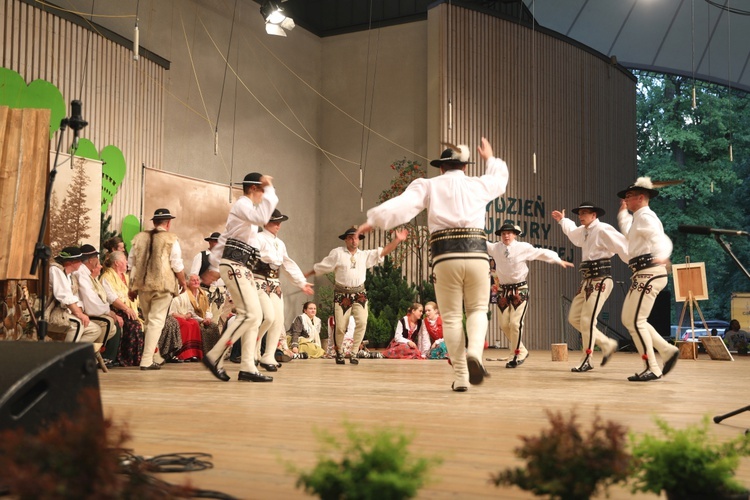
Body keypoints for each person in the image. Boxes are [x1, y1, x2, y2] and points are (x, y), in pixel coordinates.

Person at [357, 138, 508, 391]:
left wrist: (374, 219)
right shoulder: (478, 184)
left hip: (445, 256)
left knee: (449, 317)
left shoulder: (428, 185)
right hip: (477, 254)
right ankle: (474, 354)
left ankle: (461, 376)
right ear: (465, 167)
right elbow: (499, 180)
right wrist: (491, 159)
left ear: (441, 168)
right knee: (478, 310)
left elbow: (402, 206)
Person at [201, 172, 276, 383]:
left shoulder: (244, 211)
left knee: (255, 316)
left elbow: (225, 238)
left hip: (241, 267)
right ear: (254, 189)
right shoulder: (243, 205)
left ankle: (248, 366)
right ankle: (214, 356)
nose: (263, 194)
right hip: (236, 267)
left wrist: (214, 266)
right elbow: (263, 217)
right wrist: (271, 189)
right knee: (249, 314)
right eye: (261, 190)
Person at [308, 226, 406, 365]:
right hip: (342, 294)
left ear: (359, 240)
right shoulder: (338, 253)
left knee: (363, 322)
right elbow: (323, 266)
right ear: (346, 240)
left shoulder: (364, 255)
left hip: (360, 293)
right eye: (351, 238)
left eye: (356, 238)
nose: (354, 241)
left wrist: (397, 240)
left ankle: (354, 353)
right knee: (341, 327)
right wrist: (306, 275)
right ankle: (339, 352)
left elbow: (383, 252)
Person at [552, 202, 629, 372]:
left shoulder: (602, 229)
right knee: (574, 318)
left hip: (601, 279)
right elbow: (572, 232)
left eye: (585, 213)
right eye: (580, 213)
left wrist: (635, 262)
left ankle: (587, 358)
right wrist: (562, 220)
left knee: (587, 320)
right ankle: (606, 343)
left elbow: (622, 244)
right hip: (587, 281)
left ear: (594, 215)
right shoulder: (584, 231)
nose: (581, 216)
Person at [617, 177, 679, 382]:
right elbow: (629, 234)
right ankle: (667, 350)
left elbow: (659, 238)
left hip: (650, 272)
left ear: (641, 197)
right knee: (630, 319)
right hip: (643, 273)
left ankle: (652, 367)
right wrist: (623, 215)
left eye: (628, 196)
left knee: (636, 320)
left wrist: (662, 254)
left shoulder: (646, 217)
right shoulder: (639, 219)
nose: (625, 199)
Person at [488, 223, 574, 368]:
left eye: (509, 233)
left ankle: (516, 353)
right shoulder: (495, 248)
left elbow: (541, 252)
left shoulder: (523, 247)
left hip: (519, 289)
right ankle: (522, 349)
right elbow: (479, 242)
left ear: (515, 234)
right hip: (503, 290)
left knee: (515, 324)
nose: (506, 236)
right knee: (504, 324)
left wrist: (557, 259)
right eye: (503, 233)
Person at [253, 209, 314, 371]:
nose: (278, 225)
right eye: (275, 222)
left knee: (278, 319)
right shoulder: (257, 239)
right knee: (267, 318)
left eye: (280, 222)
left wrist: (302, 283)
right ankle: (254, 351)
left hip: (275, 284)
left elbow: (288, 264)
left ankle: (268, 355)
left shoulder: (280, 244)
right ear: (265, 223)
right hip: (259, 281)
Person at [128, 208, 187, 370]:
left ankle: (156, 355)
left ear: (154, 222)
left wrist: (131, 287)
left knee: (149, 322)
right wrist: (183, 281)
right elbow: (176, 263)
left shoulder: (139, 238)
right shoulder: (171, 239)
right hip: (163, 284)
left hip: (142, 285)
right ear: (168, 223)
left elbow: (131, 263)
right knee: (156, 321)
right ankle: (146, 360)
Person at [74, 244, 121, 364]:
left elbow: (94, 298)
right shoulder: (81, 273)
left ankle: (89, 355)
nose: (98, 262)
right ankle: (85, 356)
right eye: (96, 258)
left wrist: (107, 310)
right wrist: (107, 311)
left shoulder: (85, 273)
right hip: (79, 311)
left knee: (112, 327)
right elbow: (90, 299)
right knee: (107, 322)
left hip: (86, 309)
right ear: (91, 260)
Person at [46, 246, 103, 343]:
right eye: (79, 261)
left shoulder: (71, 276)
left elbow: (75, 298)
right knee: (77, 324)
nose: (81, 263)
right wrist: (79, 314)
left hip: (66, 312)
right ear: (70, 262)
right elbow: (64, 295)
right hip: (52, 313)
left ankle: (73, 352)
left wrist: (79, 311)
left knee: (95, 330)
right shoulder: (56, 270)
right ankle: (67, 356)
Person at [101, 250, 144, 366]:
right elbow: (112, 298)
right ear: (116, 263)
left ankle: (146, 357)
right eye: (124, 260)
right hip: (116, 310)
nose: (127, 262)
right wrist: (126, 309)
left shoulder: (126, 276)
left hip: (131, 308)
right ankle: (126, 358)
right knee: (134, 326)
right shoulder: (107, 277)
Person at [170, 274, 221, 360]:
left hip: (198, 318)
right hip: (188, 317)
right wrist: (201, 320)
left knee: (214, 327)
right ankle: (186, 353)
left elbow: (208, 309)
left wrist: (208, 318)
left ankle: (212, 354)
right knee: (191, 324)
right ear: (187, 283)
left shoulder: (204, 294)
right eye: (193, 280)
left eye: (197, 280)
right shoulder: (184, 294)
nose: (196, 282)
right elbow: (187, 312)